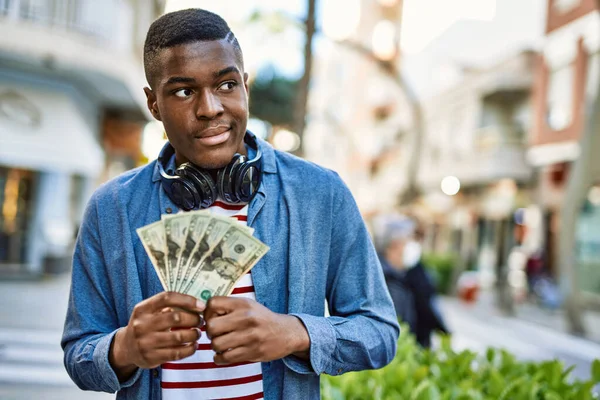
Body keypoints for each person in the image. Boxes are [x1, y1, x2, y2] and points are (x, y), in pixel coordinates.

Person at [61, 8, 399, 400]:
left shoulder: (321, 193)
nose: (210, 108)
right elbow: (78, 353)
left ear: (245, 87)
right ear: (154, 105)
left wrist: (294, 333)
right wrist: (124, 348)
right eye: (184, 91)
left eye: (225, 85)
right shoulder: (111, 207)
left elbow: (379, 331)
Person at [374, 214, 448, 348]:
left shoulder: (404, 275)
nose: (411, 245)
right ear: (394, 245)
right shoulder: (387, 280)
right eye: (408, 240)